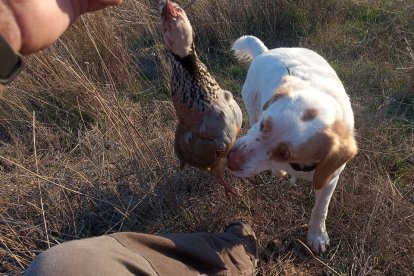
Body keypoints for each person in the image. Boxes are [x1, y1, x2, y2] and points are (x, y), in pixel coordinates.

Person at [2, 1, 258, 275]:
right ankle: (233, 251)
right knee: (218, 148)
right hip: (202, 131)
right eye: (167, 16)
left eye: (176, 11)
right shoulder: (202, 135)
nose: (170, 12)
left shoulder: (214, 97)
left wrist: (12, 26)